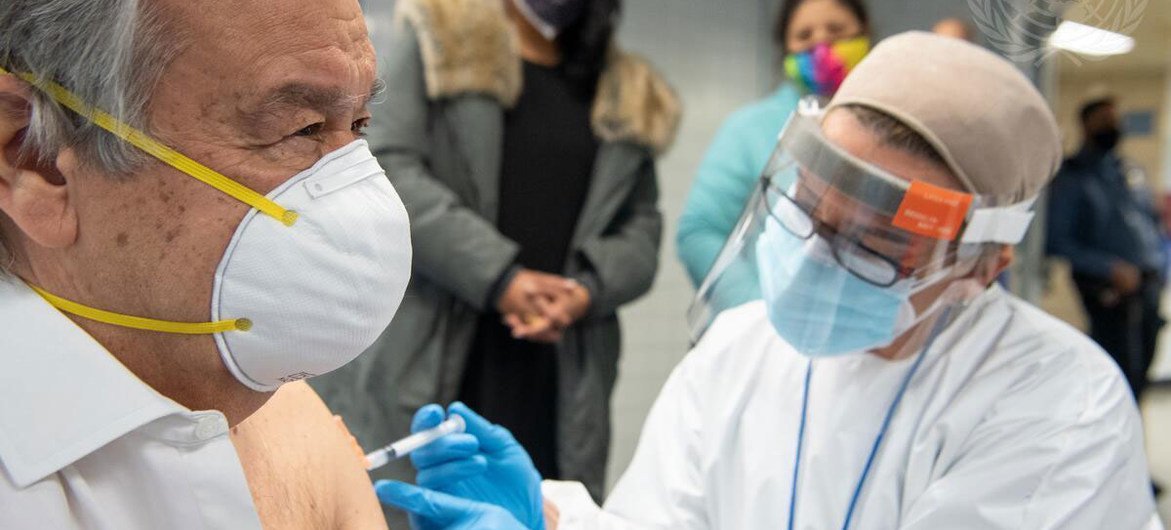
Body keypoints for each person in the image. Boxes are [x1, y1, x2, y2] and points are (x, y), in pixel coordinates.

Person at [376, 33, 1163, 530]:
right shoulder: (741, 347)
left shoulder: (1060, 408)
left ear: (983, 264)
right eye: (810, 214)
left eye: (879, 244)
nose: (818, 257)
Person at [0, 0, 412, 527]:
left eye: (358, 124)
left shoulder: (280, 408)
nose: (355, 196)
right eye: (302, 128)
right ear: (34, 160)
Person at [309, 0, 680, 520]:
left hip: (558, 363)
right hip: (433, 341)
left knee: (541, 507)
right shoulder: (443, 36)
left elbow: (642, 228)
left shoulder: (628, 87)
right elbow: (387, 161)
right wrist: (500, 276)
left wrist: (585, 291)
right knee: (415, 500)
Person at [676, 0, 871, 294]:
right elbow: (700, 231)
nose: (821, 41)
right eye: (804, 35)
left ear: (864, 33)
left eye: (836, 29)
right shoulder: (748, 128)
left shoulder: (894, 130)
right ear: (785, 49)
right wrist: (755, 315)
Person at [1047, 96, 1166, 404]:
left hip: (1148, 285)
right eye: (1104, 120)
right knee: (1116, 370)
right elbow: (1057, 241)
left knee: (1141, 371)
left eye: (1116, 120)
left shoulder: (1129, 170)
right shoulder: (1073, 177)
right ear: (1086, 125)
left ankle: (1131, 434)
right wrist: (1108, 268)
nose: (1113, 127)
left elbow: (1150, 224)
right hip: (1107, 290)